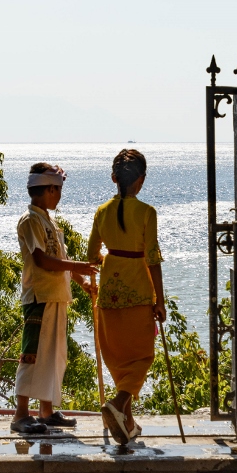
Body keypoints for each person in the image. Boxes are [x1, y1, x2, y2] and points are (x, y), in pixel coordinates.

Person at [12, 162, 97, 435]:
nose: (59, 196)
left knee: (53, 356)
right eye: (57, 190)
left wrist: (81, 281)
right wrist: (77, 267)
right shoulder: (30, 220)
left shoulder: (48, 220)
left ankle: (46, 412)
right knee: (32, 355)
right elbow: (42, 259)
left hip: (56, 296)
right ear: (49, 189)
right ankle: (20, 415)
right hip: (40, 296)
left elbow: (58, 258)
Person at [87, 148, 166, 445]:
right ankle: (119, 403)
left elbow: (91, 255)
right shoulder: (147, 212)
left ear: (114, 178)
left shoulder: (101, 211)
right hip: (138, 293)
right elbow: (153, 258)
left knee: (119, 358)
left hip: (109, 294)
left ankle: (127, 423)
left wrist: (110, 258)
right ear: (141, 180)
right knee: (142, 356)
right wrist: (160, 300)